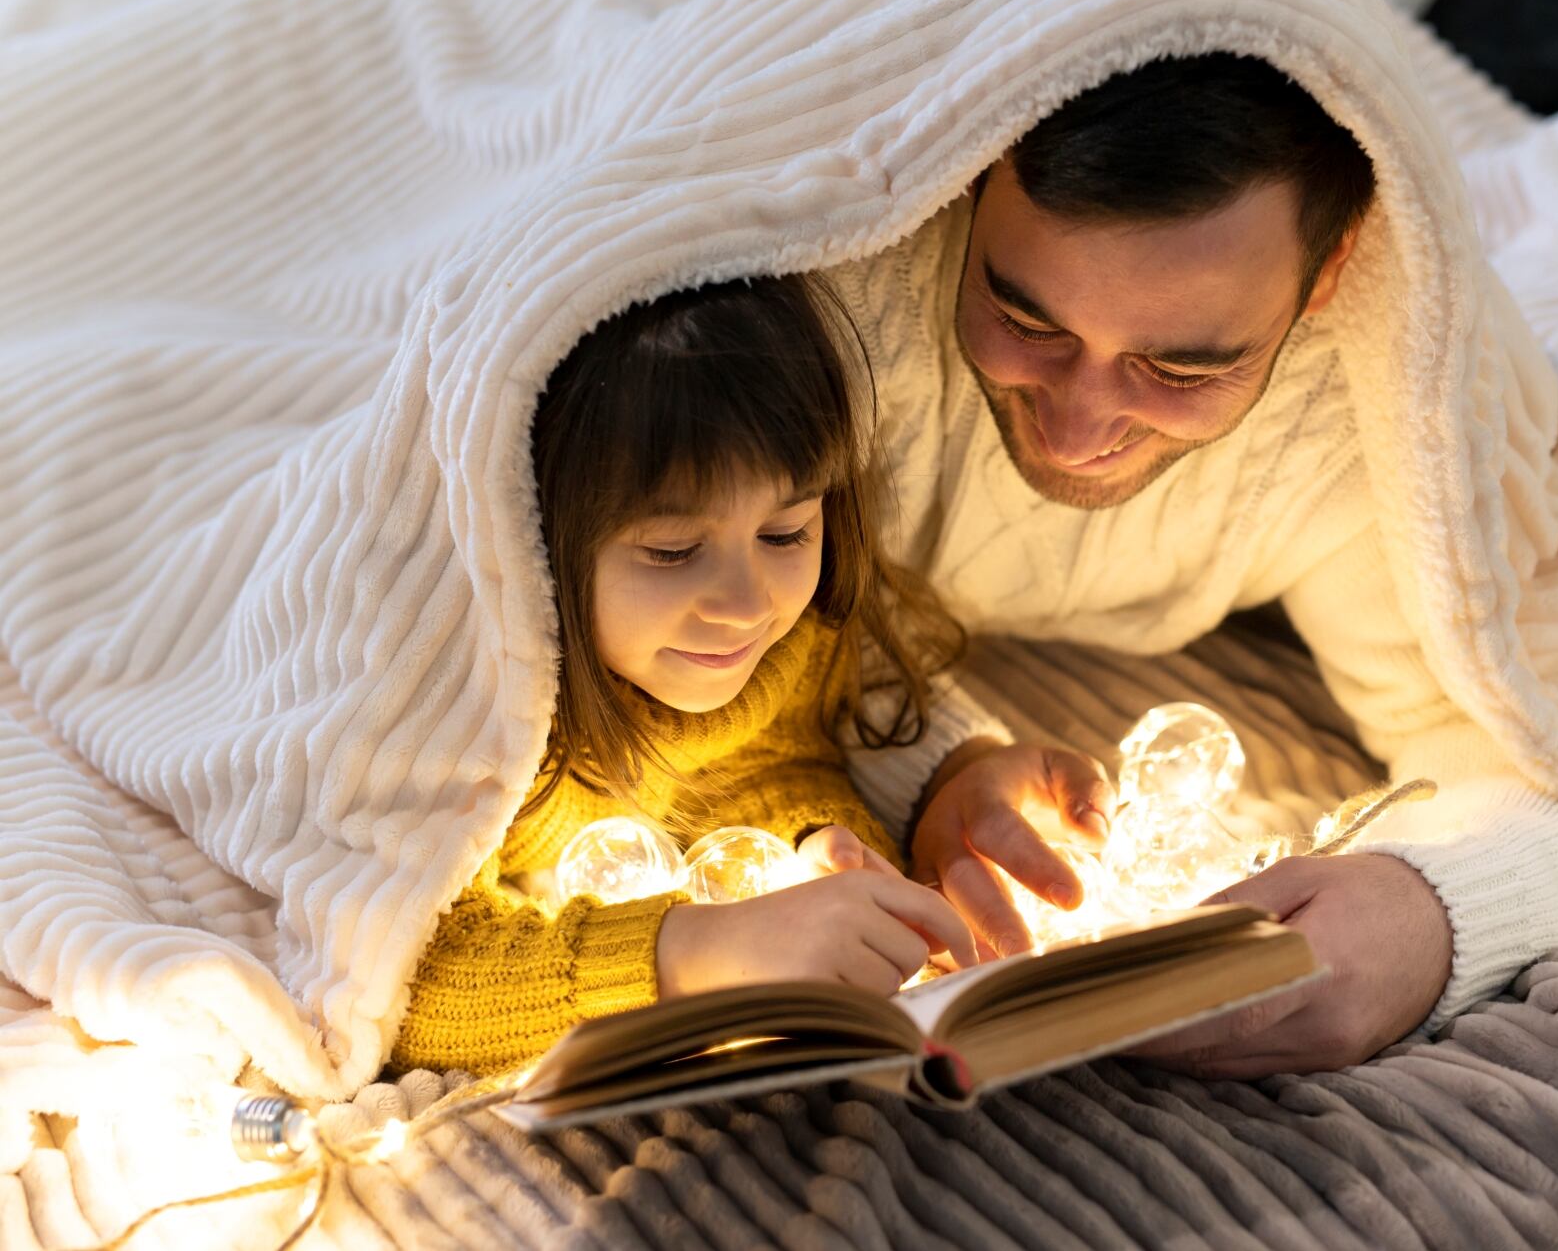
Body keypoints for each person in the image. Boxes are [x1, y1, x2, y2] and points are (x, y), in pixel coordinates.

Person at [828, 53, 1558, 1074]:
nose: (1077, 426)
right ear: (973, 176)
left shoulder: (1375, 415)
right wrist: (940, 760)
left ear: (1330, 274)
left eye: (1181, 364)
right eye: (1025, 318)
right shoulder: (843, 296)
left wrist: (1426, 912)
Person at [388, 274, 1108, 1076]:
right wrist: (698, 953)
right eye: (671, 550)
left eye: (785, 532)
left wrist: (816, 846)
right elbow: (400, 975)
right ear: (530, 540)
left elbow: (771, 757)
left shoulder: (795, 639)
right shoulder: (451, 692)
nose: (745, 604)